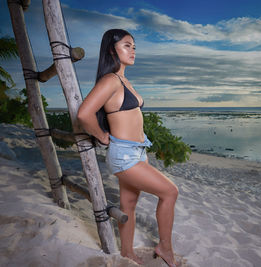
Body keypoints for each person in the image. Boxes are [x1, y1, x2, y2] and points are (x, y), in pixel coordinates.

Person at [77, 29, 180, 267]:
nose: (132, 50)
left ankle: (127, 253)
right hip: (124, 155)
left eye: (134, 46)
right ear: (112, 50)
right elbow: (84, 113)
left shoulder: (123, 80)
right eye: (127, 45)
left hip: (137, 152)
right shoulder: (110, 80)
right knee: (170, 192)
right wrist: (102, 136)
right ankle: (165, 247)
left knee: (129, 205)